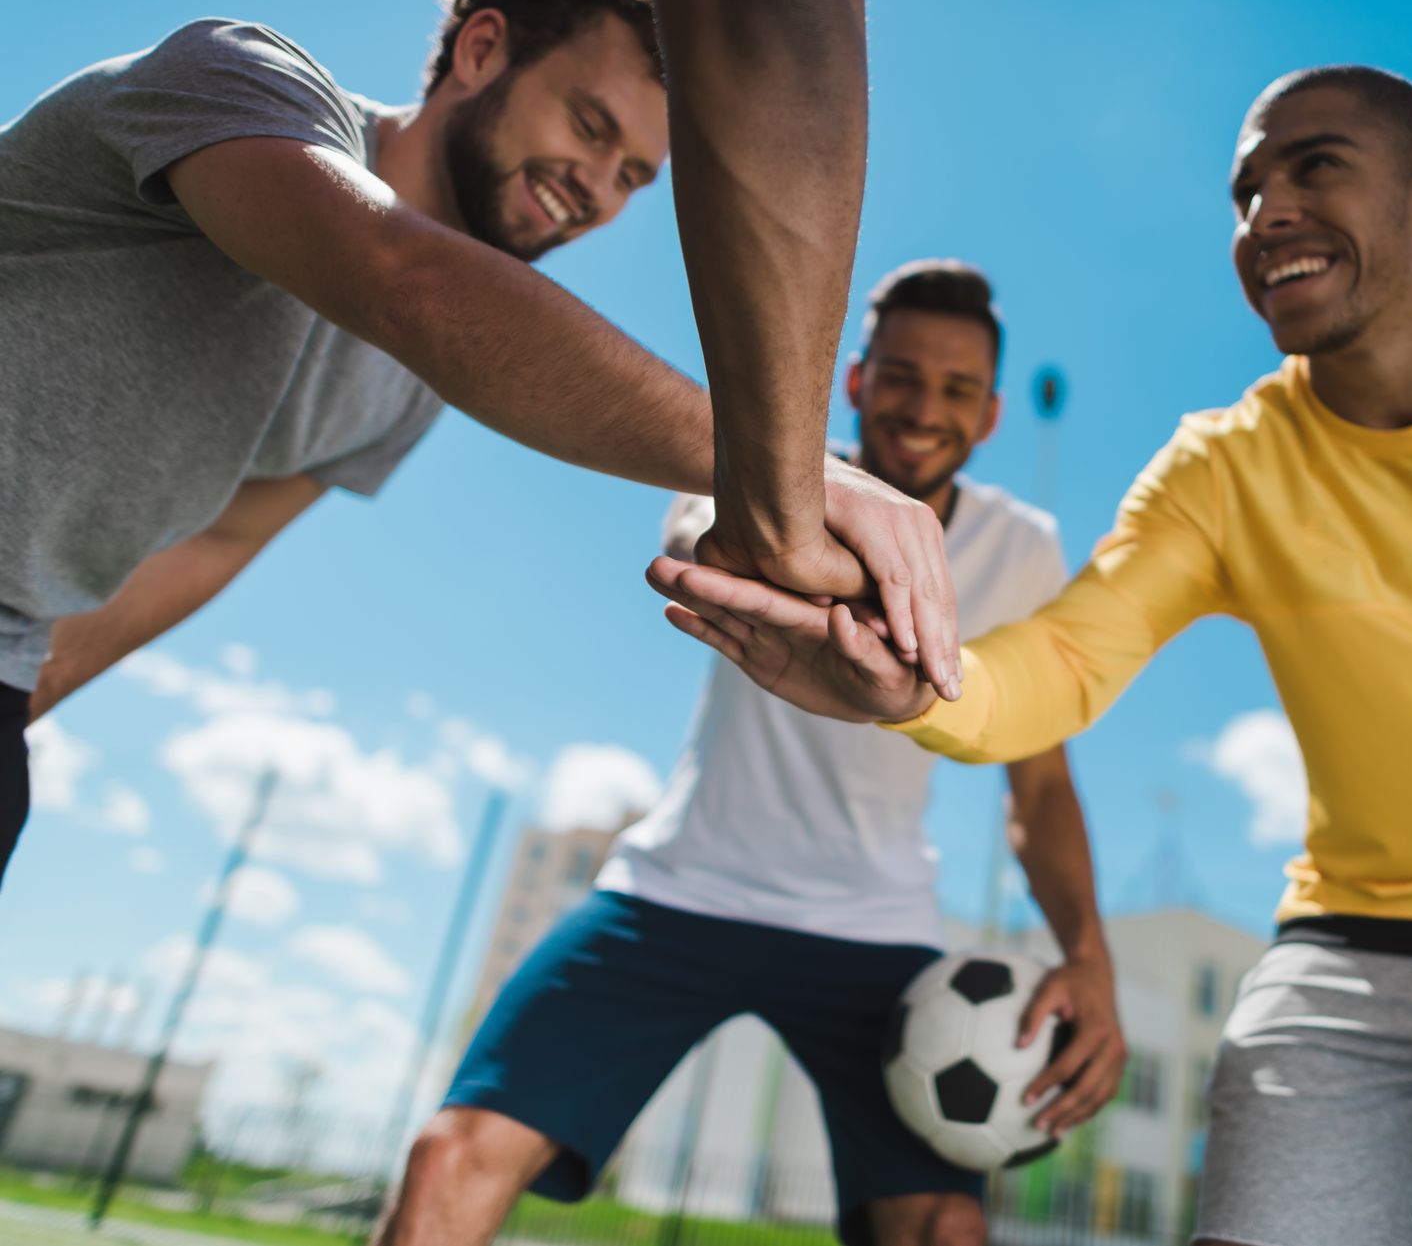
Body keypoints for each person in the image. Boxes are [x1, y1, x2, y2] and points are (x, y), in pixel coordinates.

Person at [648, 65, 1412, 1244]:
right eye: (1248, 190)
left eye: (1314, 169)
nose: (1268, 212)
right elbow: (1060, 667)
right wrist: (914, 680)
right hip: (1350, 955)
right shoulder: (1222, 467)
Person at [0, 0, 956, 885]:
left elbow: (224, 536)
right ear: (483, 50)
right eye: (590, 126)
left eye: (631, 176)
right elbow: (399, 279)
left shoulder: (413, 387)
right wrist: (795, 474)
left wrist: (21, 695)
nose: (597, 188)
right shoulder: (237, 78)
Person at [372, 262, 1126, 1246]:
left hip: (873, 924)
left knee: (941, 1225)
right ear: (855, 381)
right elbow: (710, 538)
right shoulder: (766, 467)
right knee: (448, 1161)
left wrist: (1089, 958)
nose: (922, 408)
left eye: (954, 391)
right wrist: (820, 528)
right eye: (899, 375)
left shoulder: (1021, 548)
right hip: (678, 891)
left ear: (988, 418)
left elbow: (1039, 781)